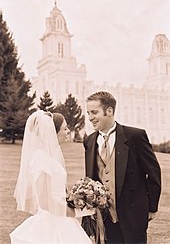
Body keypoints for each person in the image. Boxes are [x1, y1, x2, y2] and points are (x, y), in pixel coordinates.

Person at [82, 91, 161, 244]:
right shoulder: (89, 141)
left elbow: (153, 172)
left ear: (109, 111)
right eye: (88, 112)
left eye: (94, 112)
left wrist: (152, 207)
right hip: (102, 218)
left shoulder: (135, 136)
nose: (90, 117)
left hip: (132, 215)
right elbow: (92, 178)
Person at [10, 110, 92, 244]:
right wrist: (79, 211)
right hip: (53, 221)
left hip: (61, 218)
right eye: (65, 128)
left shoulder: (49, 157)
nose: (68, 131)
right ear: (53, 132)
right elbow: (45, 202)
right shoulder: (42, 160)